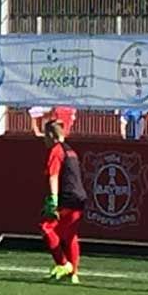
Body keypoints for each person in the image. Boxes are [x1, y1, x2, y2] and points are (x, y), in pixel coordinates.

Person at [39, 119, 88, 284]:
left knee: (46, 228)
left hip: (66, 198)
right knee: (70, 235)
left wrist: (53, 200)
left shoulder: (56, 151)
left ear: (51, 135)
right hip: (79, 197)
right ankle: (73, 274)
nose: (44, 139)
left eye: (45, 135)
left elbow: (53, 176)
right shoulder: (71, 151)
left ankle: (63, 264)